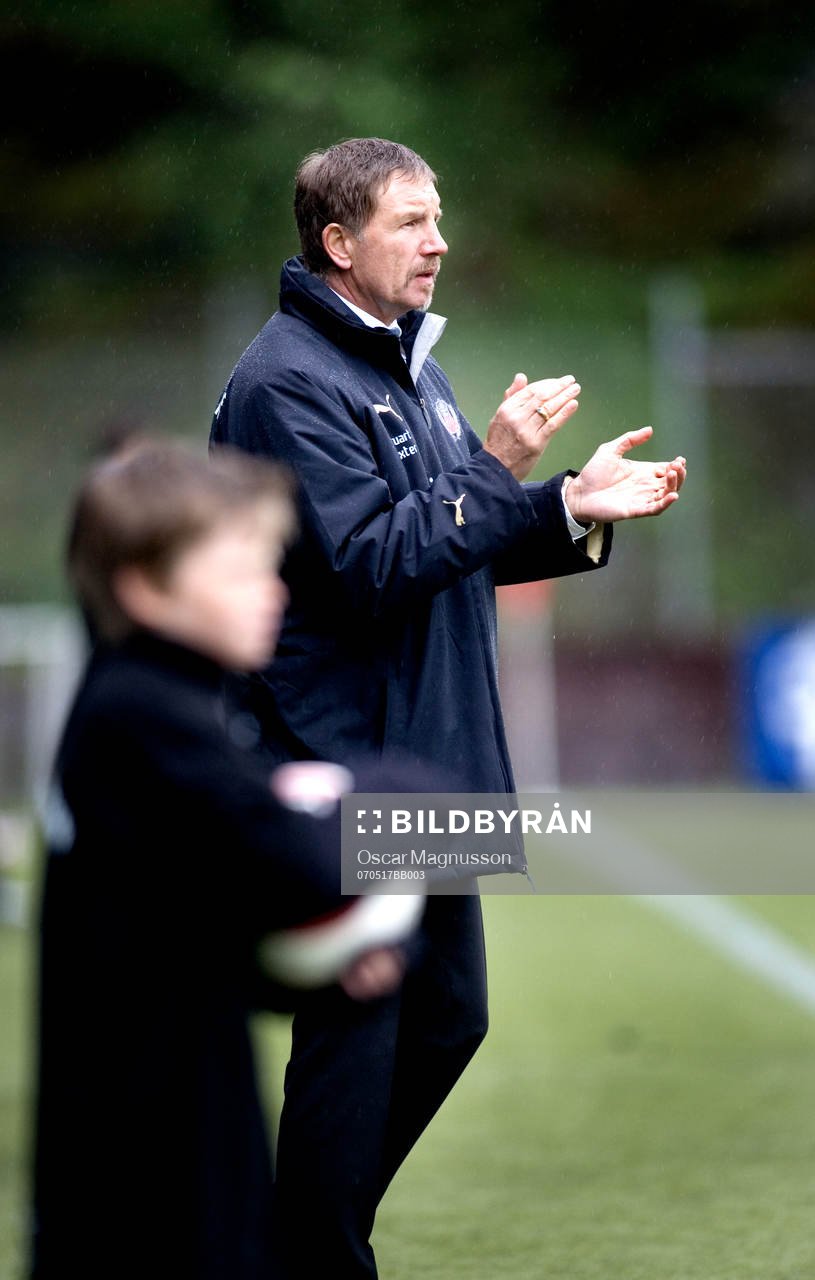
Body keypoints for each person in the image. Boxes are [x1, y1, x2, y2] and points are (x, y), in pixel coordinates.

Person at [210, 136, 686, 1278]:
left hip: (432, 754)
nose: (439, 244)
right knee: (363, 1034)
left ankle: (284, 1246)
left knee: (443, 1019)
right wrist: (498, 459)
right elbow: (376, 561)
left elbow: (446, 542)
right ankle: (308, 1255)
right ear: (338, 242)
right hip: (350, 757)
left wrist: (566, 504)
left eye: (439, 219)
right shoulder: (288, 381)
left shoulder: (403, 363)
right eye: (411, 223)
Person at [30, 440, 421, 1280]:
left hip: (172, 1103)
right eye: (242, 571)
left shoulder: (165, 701)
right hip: (143, 1150)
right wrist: (382, 790)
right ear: (146, 585)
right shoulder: (147, 714)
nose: (273, 592)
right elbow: (304, 857)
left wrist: (312, 968)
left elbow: (192, 921)